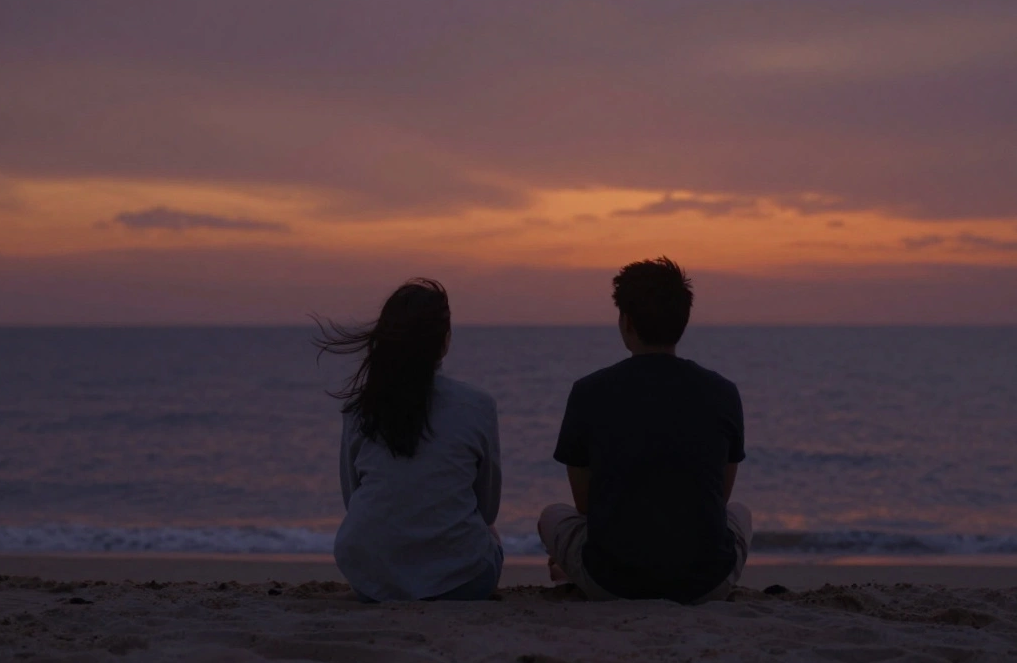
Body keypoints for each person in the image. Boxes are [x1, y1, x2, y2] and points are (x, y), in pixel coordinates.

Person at [538, 257, 752, 604]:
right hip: (705, 584)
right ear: (683, 321)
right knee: (741, 512)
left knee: (551, 515)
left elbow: (584, 504)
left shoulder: (589, 391)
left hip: (613, 584)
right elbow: (719, 499)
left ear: (627, 323)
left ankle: (571, 571)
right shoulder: (723, 392)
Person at [314, 279, 502, 602]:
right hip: (462, 581)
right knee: (490, 534)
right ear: (444, 341)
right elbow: (487, 510)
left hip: (371, 578)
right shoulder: (478, 406)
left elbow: (353, 499)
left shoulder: (361, 409)